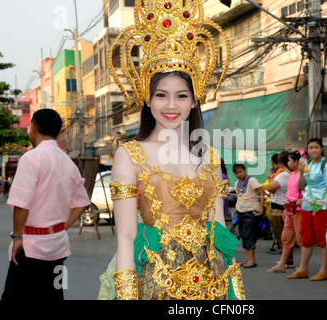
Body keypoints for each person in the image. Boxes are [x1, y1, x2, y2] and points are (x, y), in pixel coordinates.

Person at [97, 0, 244, 300]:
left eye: (181, 96)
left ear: (194, 101)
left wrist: (233, 289)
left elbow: (219, 228)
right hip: (156, 284)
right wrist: (126, 296)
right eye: (161, 95)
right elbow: (125, 236)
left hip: (212, 283)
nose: (172, 105)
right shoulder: (130, 154)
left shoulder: (211, 157)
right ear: (147, 99)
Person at [1, 109, 90, 300]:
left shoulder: (32, 158)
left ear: (33, 127)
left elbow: (21, 203)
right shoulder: (68, 162)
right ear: (58, 133)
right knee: (53, 296)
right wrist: (62, 227)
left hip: (30, 247)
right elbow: (82, 202)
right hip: (57, 248)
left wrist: (17, 236)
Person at [288, 138, 327, 281]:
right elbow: (302, 186)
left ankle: (324, 270)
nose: (314, 150)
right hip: (307, 204)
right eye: (311, 147)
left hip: (321, 204)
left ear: (321, 149)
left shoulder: (326, 164)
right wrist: (301, 172)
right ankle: (302, 269)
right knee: (306, 237)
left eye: (316, 147)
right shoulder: (308, 164)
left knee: (322, 238)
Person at [267, 151, 302, 273]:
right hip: (288, 209)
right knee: (285, 237)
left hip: (297, 210)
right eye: (287, 161)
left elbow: (270, 187)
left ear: (296, 162)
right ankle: (282, 263)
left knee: (300, 237)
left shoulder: (293, 175)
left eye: (290, 161)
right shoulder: (291, 175)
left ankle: (302, 266)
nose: (288, 163)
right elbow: (289, 193)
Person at [233, 163, 265, 268]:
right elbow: (238, 196)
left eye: (241, 171)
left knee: (249, 234)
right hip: (240, 211)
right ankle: (248, 258)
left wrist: (261, 206)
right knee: (243, 235)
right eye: (237, 173)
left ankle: (252, 260)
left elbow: (261, 192)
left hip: (250, 211)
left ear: (245, 170)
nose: (239, 174)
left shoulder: (252, 180)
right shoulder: (237, 183)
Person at [267, 152, 290, 256]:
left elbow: (270, 187)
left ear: (279, 162)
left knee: (281, 235)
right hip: (283, 205)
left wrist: (271, 178)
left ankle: (286, 260)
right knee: (284, 236)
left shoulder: (284, 174)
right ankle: (285, 260)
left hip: (280, 207)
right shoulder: (288, 174)